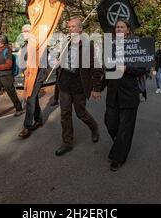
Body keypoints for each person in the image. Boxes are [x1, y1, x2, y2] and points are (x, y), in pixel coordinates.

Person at [54, 17, 103, 156]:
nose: (70, 30)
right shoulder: (66, 43)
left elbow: (96, 67)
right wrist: (58, 61)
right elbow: (61, 58)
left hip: (79, 85)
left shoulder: (89, 45)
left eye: (73, 27)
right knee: (65, 114)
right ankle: (67, 143)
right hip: (64, 84)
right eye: (69, 27)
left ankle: (94, 127)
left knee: (80, 113)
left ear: (80, 29)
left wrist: (96, 88)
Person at [104, 19, 147, 171]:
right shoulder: (111, 45)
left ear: (128, 30)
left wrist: (127, 68)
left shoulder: (138, 45)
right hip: (113, 93)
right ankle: (120, 143)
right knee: (110, 123)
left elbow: (143, 69)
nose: (120, 29)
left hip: (129, 93)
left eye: (123, 27)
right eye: (117, 27)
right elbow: (106, 69)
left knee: (125, 128)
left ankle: (118, 158)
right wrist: (97, 88)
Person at [18, 24, 47, 138]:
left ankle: (27, 126)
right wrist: (24, 69)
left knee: (30, 98)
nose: (24, 33)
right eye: (23, 31)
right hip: (28, 76)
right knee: (33, 99)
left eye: (26, 31)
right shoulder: (24, 46)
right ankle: (39, 119)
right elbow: (21, 60)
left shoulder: (40, 45)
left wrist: (35, 68)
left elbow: (44, 63)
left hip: (38, 77)